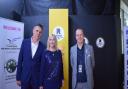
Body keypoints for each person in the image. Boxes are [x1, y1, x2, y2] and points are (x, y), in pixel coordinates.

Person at [16, 24, 45, 89]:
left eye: (40, 32)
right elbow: (20, 60)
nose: (38, 33)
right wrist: (18, 77)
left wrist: (41, 82)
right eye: (37, 31)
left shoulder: (43, 47)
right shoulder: (25, 42)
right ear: (33, 31)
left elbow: (42, 66)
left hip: (36, 81)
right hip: (25, 78)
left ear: (41, 34)